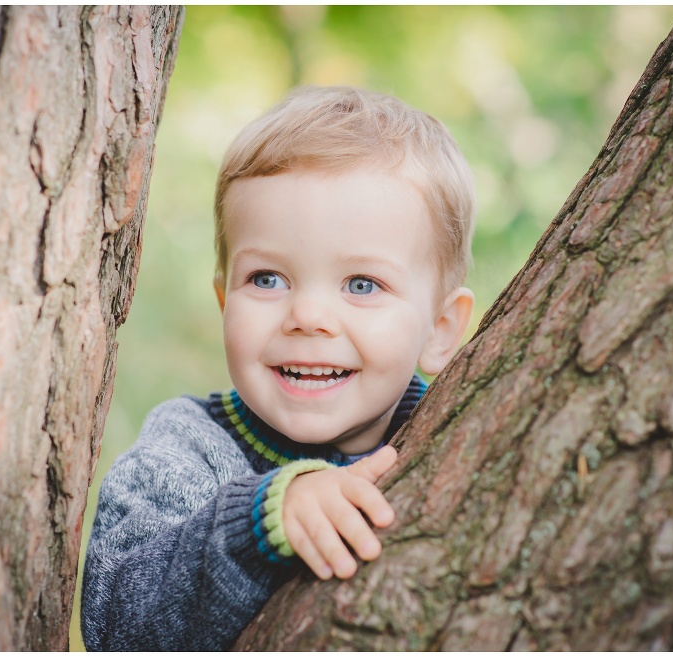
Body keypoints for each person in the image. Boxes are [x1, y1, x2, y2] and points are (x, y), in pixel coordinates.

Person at [81, 85, 476, 651]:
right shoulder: (187, 447)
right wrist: (259, 523)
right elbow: (118, 626)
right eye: (267, 279)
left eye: (362, 284)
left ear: (439, 329)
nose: (308, 316)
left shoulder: (448, 436)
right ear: (225, 303)